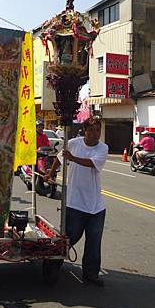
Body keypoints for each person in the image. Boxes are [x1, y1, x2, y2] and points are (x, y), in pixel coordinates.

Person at [46, 116, 108, 286]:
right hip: (74, 202)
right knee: (69, 238)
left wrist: (72, 158)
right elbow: (59, 158)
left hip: (96, 206)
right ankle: (52, 263)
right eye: (91, 130)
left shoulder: (103, 148)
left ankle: (90, 274)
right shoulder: (74, 143)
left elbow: (91, 163)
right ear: (85, 131)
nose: (95, 134)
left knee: (94, 242)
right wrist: (50, 174)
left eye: (98, 130)